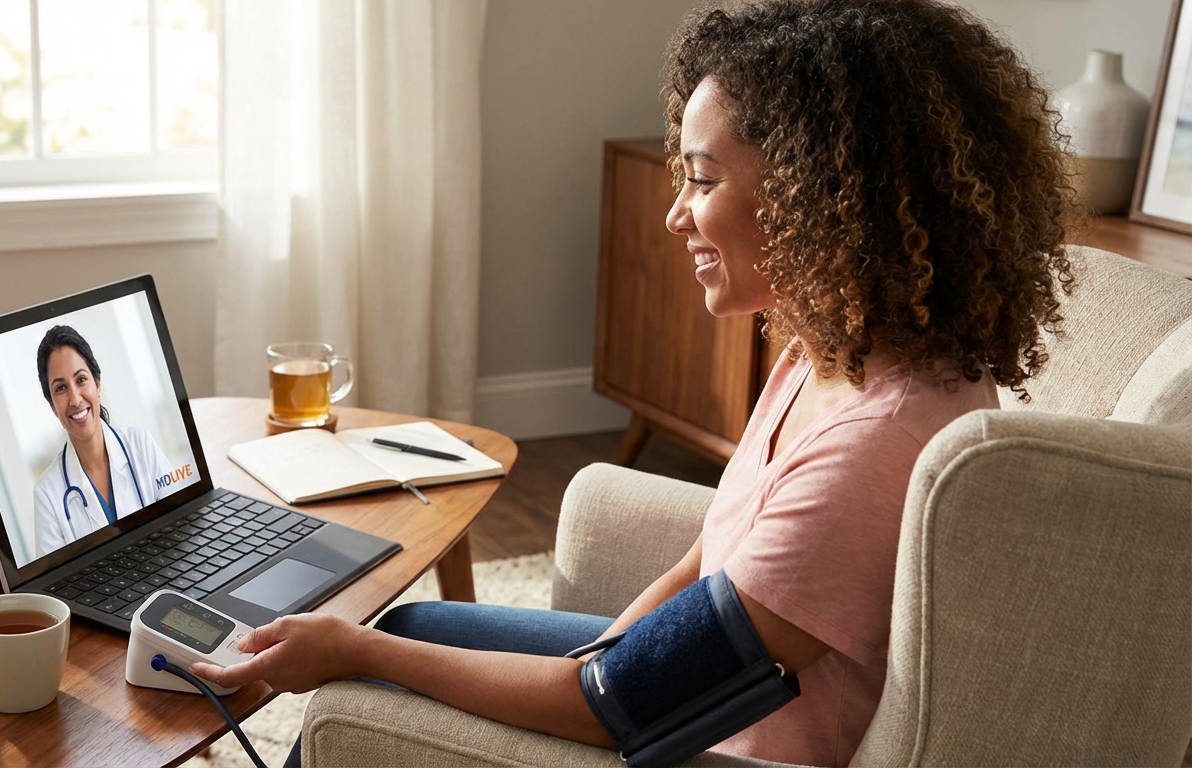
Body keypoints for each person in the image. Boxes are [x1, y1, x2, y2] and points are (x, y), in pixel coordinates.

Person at [192, 1, 1075, 765]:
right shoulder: (832, 351)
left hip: (726, 752)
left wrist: (359, 657)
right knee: (410, 630)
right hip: (671, 697)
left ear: (817, 193)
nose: (675, 212)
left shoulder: (875, 447)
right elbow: (709, 562)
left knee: (364, 675)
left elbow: (627, 709)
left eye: (701, 178)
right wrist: (610, 646)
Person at [32, 325, 177, 558]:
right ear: (52, 405)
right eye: (61, 388)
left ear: (97, 384)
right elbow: (51, 588)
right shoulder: (47, 495)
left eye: (81, 379)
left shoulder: (140, 444)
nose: (75, 399)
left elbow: (181, 527)